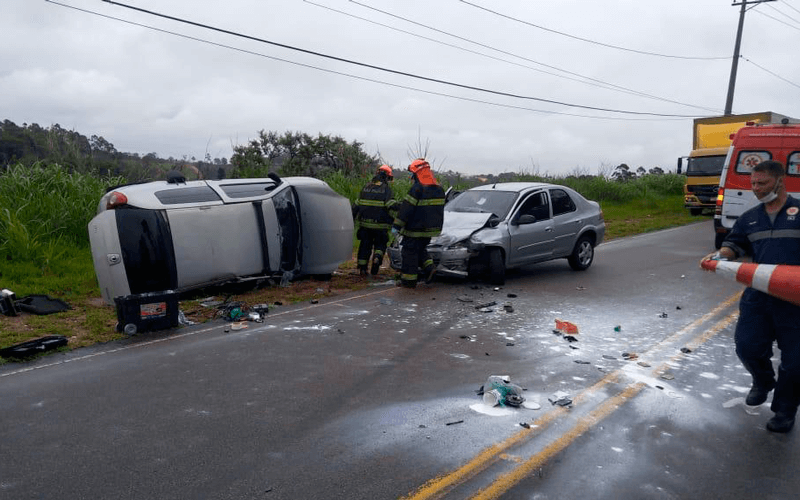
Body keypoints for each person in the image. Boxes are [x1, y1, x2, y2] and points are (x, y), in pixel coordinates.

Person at [701, 159, 800, 433]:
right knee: (747, 346)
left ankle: (784, 411)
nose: (756, 188)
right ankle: (763, 380)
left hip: (795, 300)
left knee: (795, 365)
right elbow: (735, 244)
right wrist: (721, 256)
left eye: (762, 183)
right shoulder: (750, 217)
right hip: (759, 296)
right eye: (753, 183)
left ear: (780, 181)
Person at [392, 158, 445, 288]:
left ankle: (408, 281)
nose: (410, 176)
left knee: (409, 253)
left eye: (412, 173)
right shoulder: (439, 189)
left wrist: (396, 226)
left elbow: (406, 209)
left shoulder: (417, 188)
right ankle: (430, 268)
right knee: (420, 250)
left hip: (415, 229)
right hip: (430, 230)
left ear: (417, 173)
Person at [352, 165, 397, 276]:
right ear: (387, 177)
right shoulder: (386, 189)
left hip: (365, 225)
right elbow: (390, 205)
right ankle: (377, 258)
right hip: (380, 226)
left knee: (365, 245)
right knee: (380, 244)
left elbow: (356, 205)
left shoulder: (366, 187)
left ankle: (362, 268)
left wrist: (351, 219)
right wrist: (403, 208)